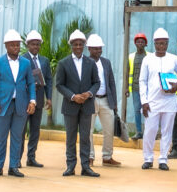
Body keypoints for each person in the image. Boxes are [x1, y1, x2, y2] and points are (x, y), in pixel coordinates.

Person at [0, 30, 37, 178]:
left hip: (21, 105)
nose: (16, 47)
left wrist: (32, 101)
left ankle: (14, 166)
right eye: (13, 45)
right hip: (3, 105)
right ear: (6, 46)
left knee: (17, 137)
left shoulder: (26, 63)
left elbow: (31, 83)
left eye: (17, 45)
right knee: (1, 137)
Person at [55, 30, 101, 177]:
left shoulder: (91, 63)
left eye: (81, 44)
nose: (78, 47)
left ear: (84, 45)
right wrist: (73, 96)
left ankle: (86, 166)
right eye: (75, 44)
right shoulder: (63, 63)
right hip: (70, 106)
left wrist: (88, 94)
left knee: (85, 136)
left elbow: (96, 82)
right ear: (71, 46)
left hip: (87, 105)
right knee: (71, 137)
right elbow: (59, 85)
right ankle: (70, 166)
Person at [139, 28, 177, 171]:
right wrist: (144, 101)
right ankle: (148, 158)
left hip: (169, 101)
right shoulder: (147, 59)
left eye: (164, 44)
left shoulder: (173, 59)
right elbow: (142, 81)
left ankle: (163, 159)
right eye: (158, 44)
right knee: (150, 131)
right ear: (154, 44)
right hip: (152, 101)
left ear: (167, 43)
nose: (161, 46)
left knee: (167, 131)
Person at [86, 33, 123, 167]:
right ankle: (89, 157)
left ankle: (107, 157)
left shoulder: (106, 62)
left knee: (109, 129)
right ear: (89, 48)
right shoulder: (85, 62)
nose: (98, 51)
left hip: (106, 100)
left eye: (100, 48)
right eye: (95, 48)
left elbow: (111, 82)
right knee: (88, 130)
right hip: (91, 100)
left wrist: (114, 103)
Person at [20, 30, 52, 168]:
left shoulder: (44, 61)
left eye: (38, 44)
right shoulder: (21, 59)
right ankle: (17, 158)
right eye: (33, 44)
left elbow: (49, 80)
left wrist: (49, 97)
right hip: (24, 100)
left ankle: (31, 158)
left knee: (35, 130)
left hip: (38, 99)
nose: (35, 47)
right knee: (20, 131)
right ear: (27, 45)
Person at [125, 32, 149, 140]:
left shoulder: (149, 56)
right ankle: (139, 132)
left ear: (145, 44)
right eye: (138, 41)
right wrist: (126, 87)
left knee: (148, 110)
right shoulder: (131, 56)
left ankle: (148, 132)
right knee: (136, 110)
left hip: (147, 88)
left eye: (142, 42)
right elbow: (127, 72)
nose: (140, 43)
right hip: (135, 88)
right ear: (135, 43)